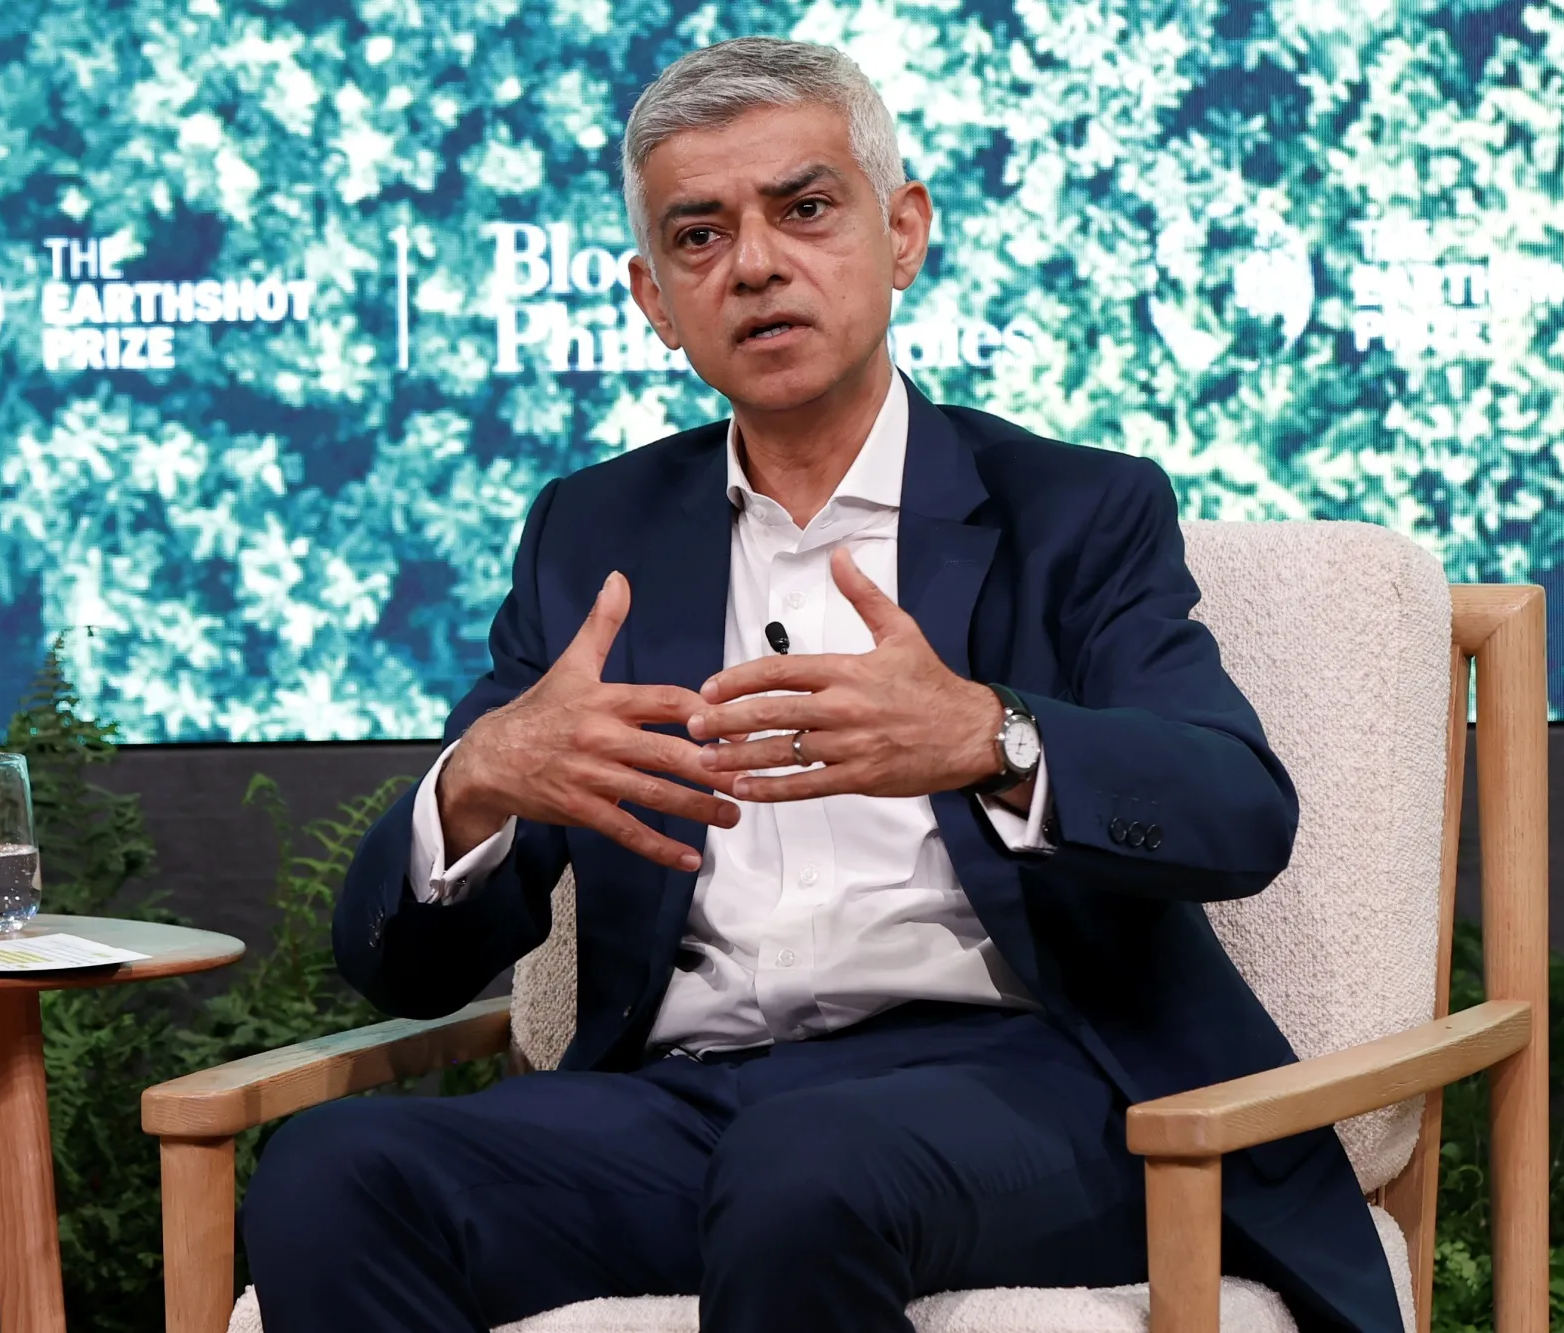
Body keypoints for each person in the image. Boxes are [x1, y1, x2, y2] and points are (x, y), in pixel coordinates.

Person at [242, 35, 1403, 1333]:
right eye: (697, 237)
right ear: (651, 299)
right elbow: (403, 967)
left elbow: (1236, 813)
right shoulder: (591, 534)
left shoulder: (1075, 511)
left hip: (1030, 1089)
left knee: (805, 1177)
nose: (752, 264)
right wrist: (476, 790)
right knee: (330, 1173)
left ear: (902, 233)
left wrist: (989, 735)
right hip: (685, 1101)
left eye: (804, 210)